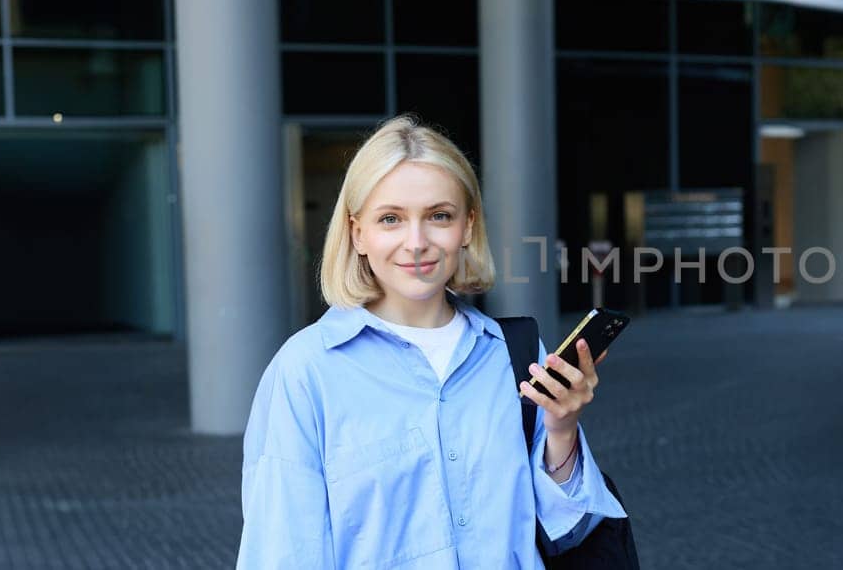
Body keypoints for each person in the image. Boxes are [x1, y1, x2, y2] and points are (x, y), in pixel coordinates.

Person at [236, 116, 626, 569]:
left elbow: (568, 532)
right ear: (358, 233)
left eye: (439, 216)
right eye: (391, 219)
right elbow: (282, 552)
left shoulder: (514, 354)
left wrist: (562, 429)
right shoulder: (306, 370)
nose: (417, 242)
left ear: (467, 227)